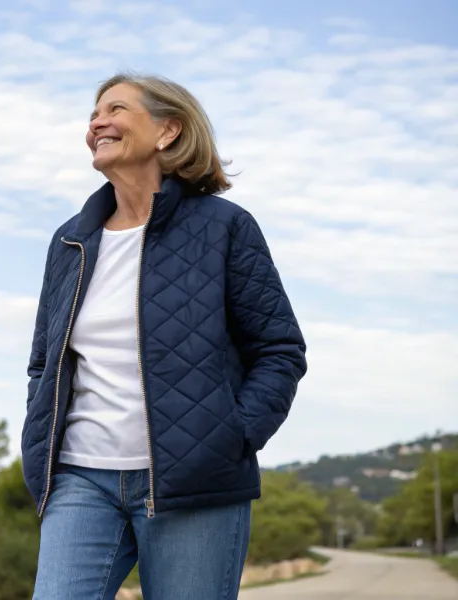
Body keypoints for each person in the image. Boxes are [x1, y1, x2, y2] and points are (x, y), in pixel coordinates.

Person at [21, 73, 307, 600]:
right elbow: (45, 362)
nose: (96, 123)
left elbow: (278, 350)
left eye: (115, 109)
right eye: (93, 113)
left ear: (167, 130)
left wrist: (231, 437)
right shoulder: (70, 241)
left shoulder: (224, 227)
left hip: (194, 483)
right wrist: (41, 441)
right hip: (81, 479)